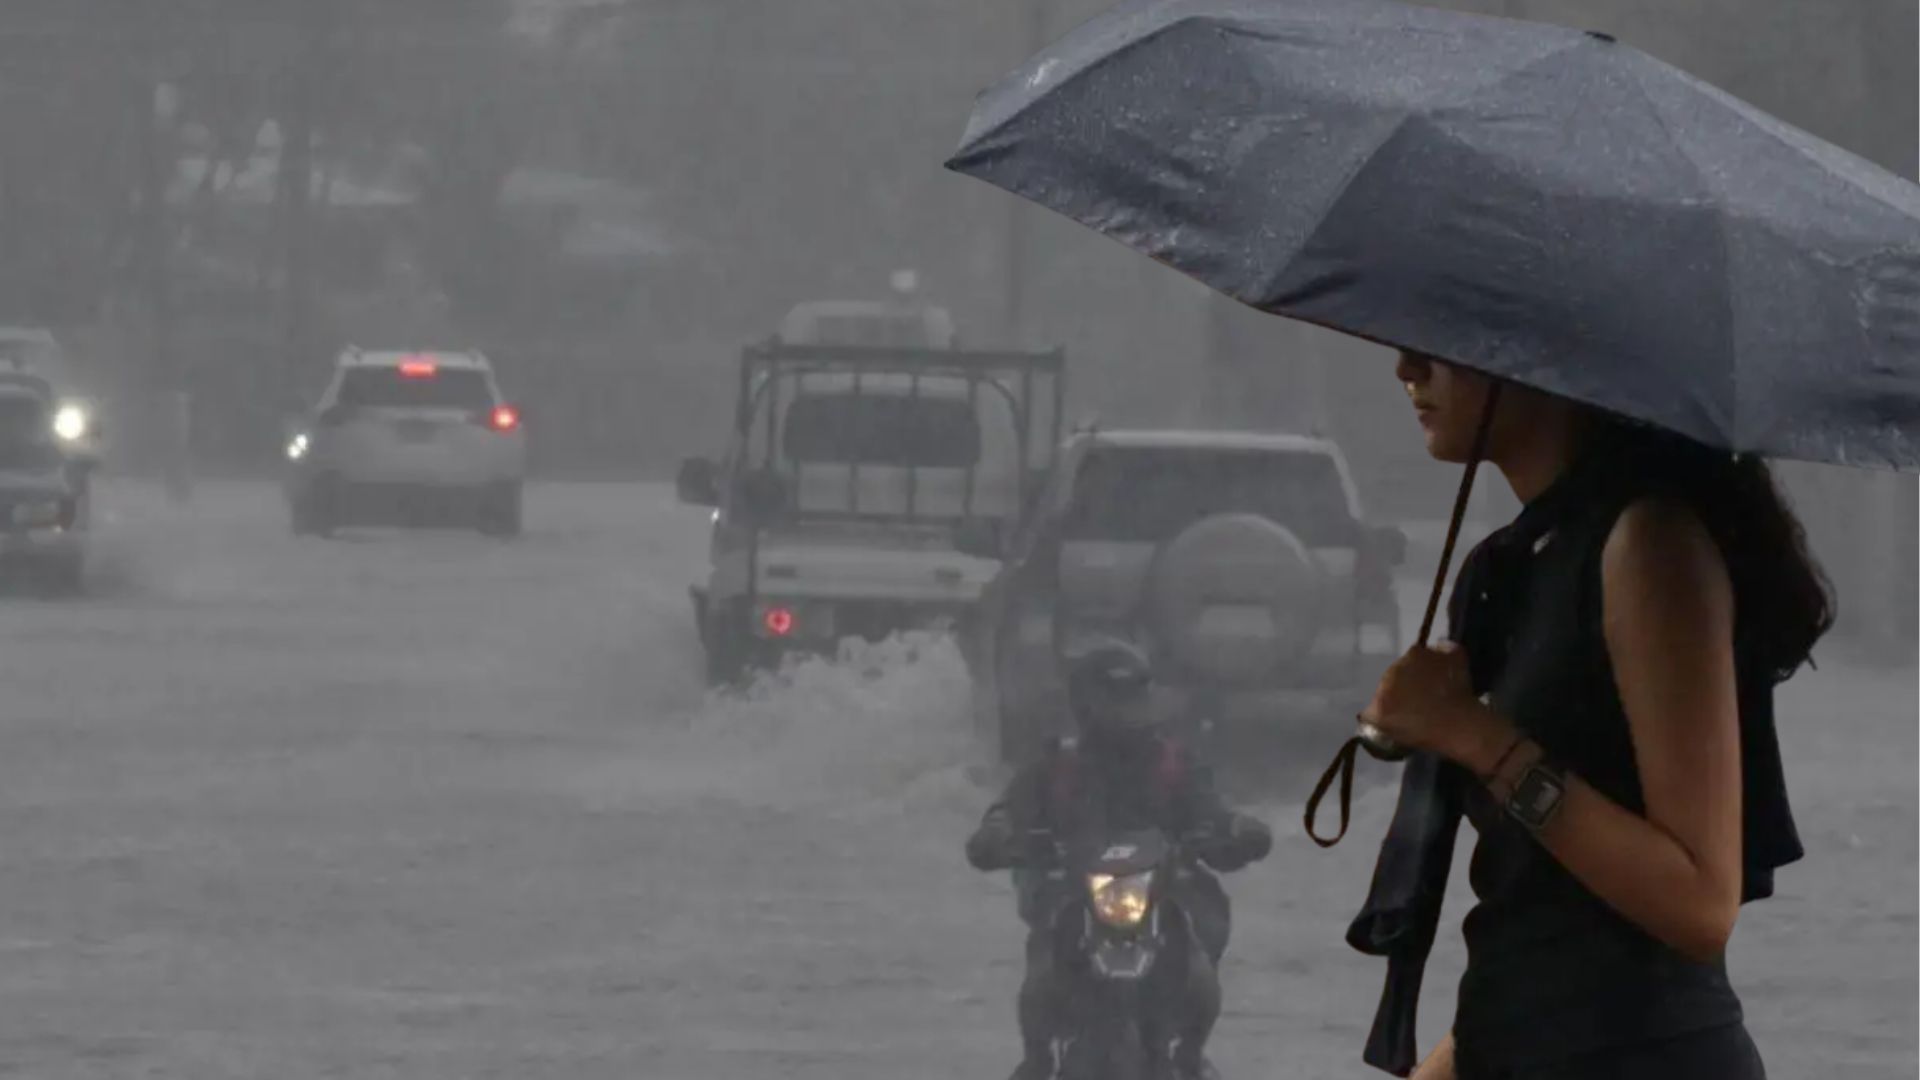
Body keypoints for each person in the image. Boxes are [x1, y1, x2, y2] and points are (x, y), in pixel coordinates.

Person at [1354, 349, 1831, 1079]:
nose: (1408, 369)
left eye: (1446, 347)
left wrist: (1477, 737)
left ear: (1538, 356)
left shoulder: (1648, 546)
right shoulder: (1513, 566)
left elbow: (1700, 903)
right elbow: (1542, 920)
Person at [966, 638, 1272, 1080]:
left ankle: (1189, 1052)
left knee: (1198, 929)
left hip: (1164, 895)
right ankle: (1037, 1057)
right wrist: (999, 834)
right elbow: (1009, 810)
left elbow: (1212, 811)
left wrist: (1236, 831)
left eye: (1134, 697)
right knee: (1046, 950)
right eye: (1114, 699)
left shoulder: (1173, 764)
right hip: (1074, 895)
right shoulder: (1056, 767)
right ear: (1085, 704)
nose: (1127, 710)